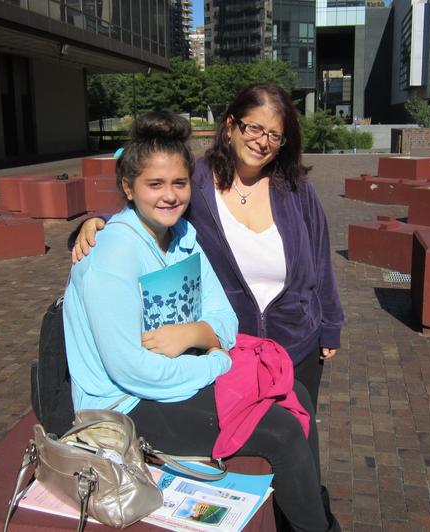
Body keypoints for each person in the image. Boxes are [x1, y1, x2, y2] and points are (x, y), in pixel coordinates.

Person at [64, 112, 337, 531]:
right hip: (125, 404)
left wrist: (196, 333)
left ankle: (309, 512)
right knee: (281, 432)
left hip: (175, 374)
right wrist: (217, 362)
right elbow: (132, 369)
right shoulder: (112, 256)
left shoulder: (183, 237)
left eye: (180, 183)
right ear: (128, 188)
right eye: (155, 185)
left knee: (293, 389)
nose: (170, 196)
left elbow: (223, 317)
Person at [73, 84, 344, 411]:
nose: (263, 142)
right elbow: (156, 203)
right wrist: (100, 221)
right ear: (230, 126)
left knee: (297, 429)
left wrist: (330, 327)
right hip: (230, 348)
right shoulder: (196, 182)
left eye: (275, 135)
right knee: (242, 450)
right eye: (254, 127)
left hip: (296, 342)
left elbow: (321, 262)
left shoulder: (297, 190)